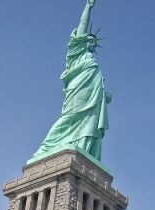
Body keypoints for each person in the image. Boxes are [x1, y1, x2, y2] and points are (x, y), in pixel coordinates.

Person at [30, 0, 111, 164]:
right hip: (77, 92)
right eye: (89, 38)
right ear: (81, 41)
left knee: (90, 123)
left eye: (94, 42)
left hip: (94, 97)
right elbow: (83, 24)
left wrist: (104, 95)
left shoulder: (93, 62)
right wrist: (88, 6)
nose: (92, 41)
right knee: (68, 117)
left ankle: (84, 149)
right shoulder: (76, 54)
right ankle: (46, 148)